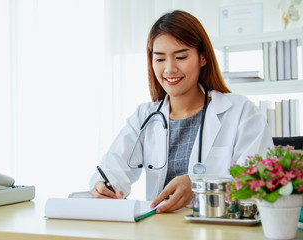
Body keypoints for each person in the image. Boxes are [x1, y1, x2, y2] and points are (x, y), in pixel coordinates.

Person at [89, 10, 273, 213]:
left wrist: (198, 186)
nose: (169, 69)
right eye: (159, 59)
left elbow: (259, 183)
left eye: (181, 57)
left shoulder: (240, 112)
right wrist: (103, 186)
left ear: (203, 57)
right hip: (159, 228)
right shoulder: (144, 117)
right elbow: (112, 168)